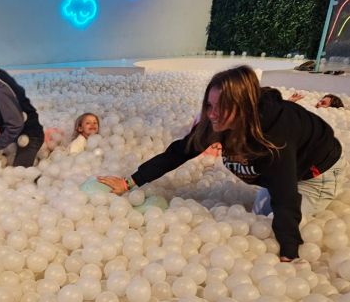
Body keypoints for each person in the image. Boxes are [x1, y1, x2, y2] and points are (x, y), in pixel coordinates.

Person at [98, 65, 346, 262]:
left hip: (315, 174)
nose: (212, 114)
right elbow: (178, 153)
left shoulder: (274, 135)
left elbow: (286, 195)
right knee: (258, 222)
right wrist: (129, 182)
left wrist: (289, 253)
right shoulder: (216, 123)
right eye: (209, 105)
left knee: (272, 232)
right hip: (284, 171)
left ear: (243, 108)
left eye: (221, 107)